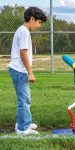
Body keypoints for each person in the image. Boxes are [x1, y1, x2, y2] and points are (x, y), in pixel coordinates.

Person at [8, 7, 47, 135]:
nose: (39, 25)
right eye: (39, 22)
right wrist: (30, 72)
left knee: (24, 98)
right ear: (32, 19)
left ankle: (22, 122)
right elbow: (23, 53)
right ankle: (23, 129)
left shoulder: (21, 30)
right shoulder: (24, 31)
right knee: (24, 100)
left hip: (18, 70)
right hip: (20, 71)